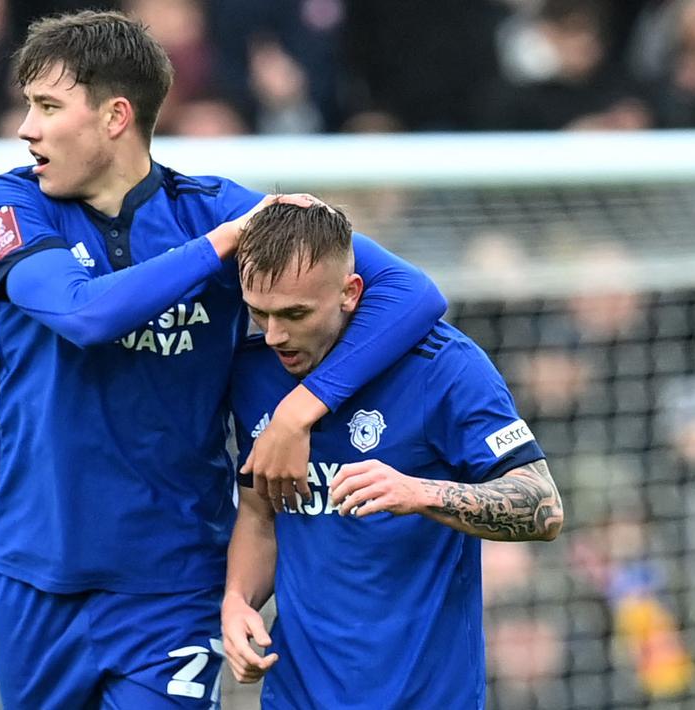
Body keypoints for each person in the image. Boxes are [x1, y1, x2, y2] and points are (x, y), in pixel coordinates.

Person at [0, 11, 446, 707]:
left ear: (115, 117)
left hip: (171, 583)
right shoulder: (12, 202)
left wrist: (301, 411)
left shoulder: (211, 208)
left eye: (47, 106)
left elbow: (410, 292)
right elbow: (82, 314)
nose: (26, 128)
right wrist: (219, 247)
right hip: (34, 570)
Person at [221, 203, 564, 708]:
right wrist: (238, 600)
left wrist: (418, 492)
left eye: (295, 314)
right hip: (297, 694)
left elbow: (543, 506)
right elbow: (259, 513)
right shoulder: (255, 372)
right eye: (260, 313)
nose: (274, 334)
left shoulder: (443, 368)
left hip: (425, 696)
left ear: (350, 292)